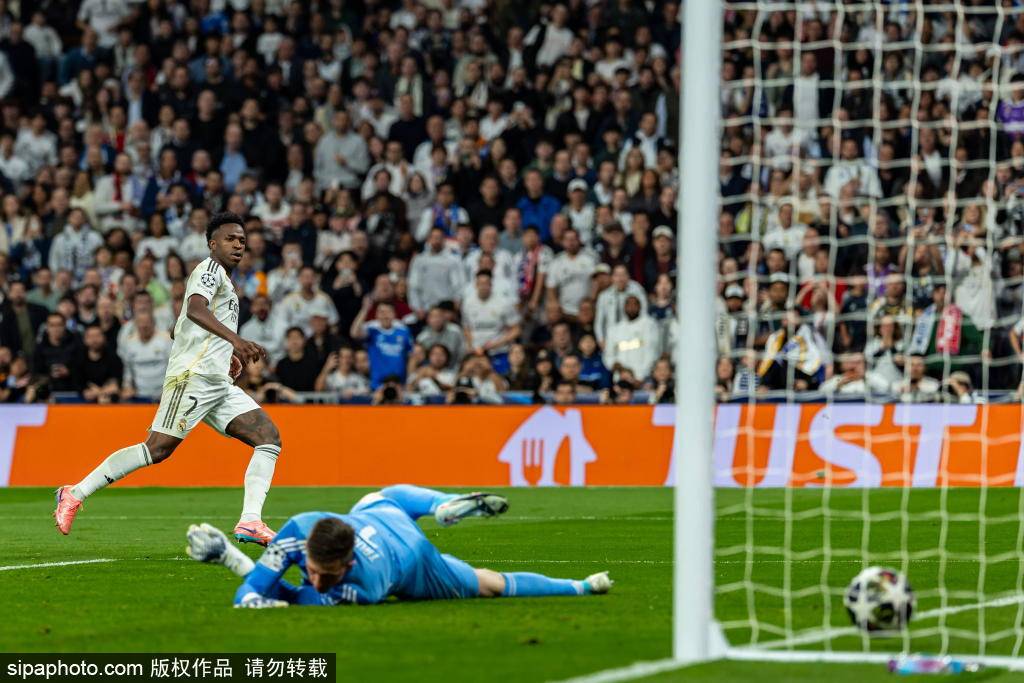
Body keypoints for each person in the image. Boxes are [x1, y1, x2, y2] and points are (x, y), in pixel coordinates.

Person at [54, 213, 282, 547]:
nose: (238, 245)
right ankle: (74, 493)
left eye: (242, 240)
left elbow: (179, 328)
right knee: (157, 449)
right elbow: (195, 310)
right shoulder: (209, 269)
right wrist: (235, 341)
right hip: (192, 377)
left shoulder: (225, 283)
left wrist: (224, 353)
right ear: (212, 243)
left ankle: (250, 521)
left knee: (268, 438)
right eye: (230, 238)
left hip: (216, 381)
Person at [185, 484, 612, 607]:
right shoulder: (299, 528)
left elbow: (295, 598)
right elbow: (256, 589)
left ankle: (579, 587)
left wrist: (233, 560)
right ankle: (442, 504)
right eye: (311, 570)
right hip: (380, 514)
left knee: (489, 585)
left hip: (413, 559)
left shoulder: (364, 587)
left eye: (326, 577)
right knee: (378, 495)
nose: (315, 580)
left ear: (347, 565)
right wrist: (240, 574)